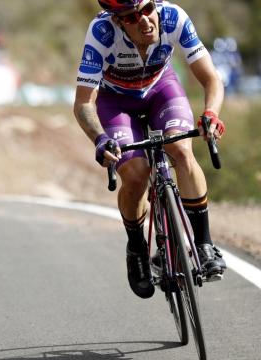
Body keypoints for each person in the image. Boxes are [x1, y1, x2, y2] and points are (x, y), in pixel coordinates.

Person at [73, 0, 227, 299]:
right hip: (115, 102)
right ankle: (137, 249)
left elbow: (211, 78)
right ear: (117, 22)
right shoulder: (101, 32)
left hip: (161, 89)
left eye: (146, 10)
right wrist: (100, 138)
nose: (144, 21)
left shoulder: (173, 17)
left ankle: (204, 243)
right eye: (131, 17)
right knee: (136, 173)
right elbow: (83, 103)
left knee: (181, 149)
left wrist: (210, 113)